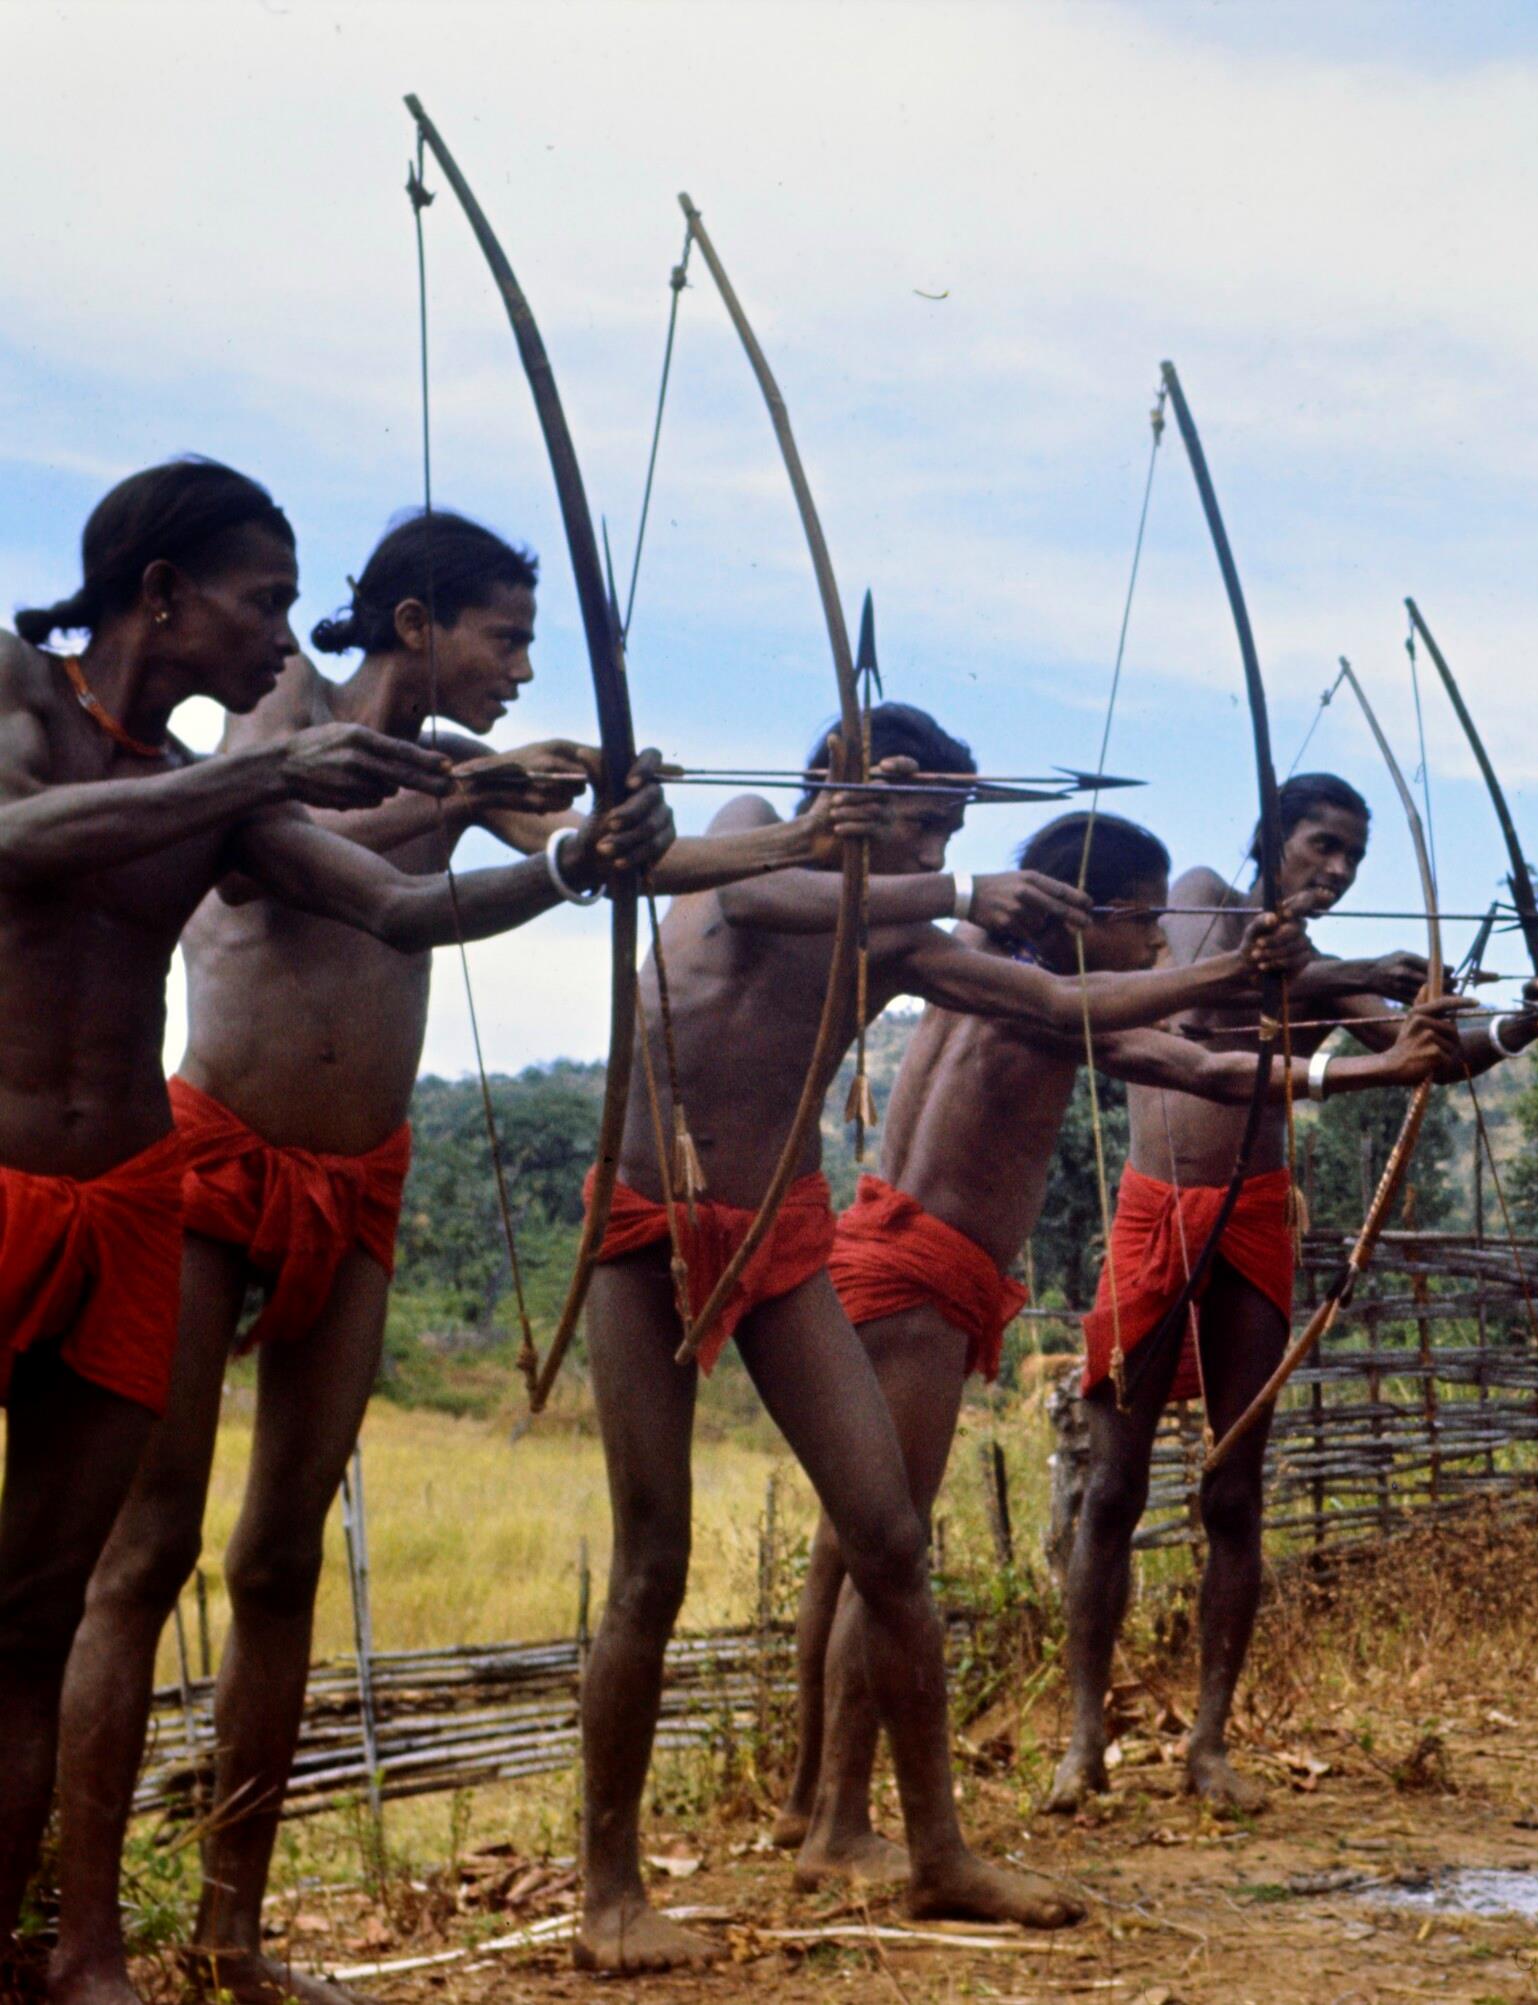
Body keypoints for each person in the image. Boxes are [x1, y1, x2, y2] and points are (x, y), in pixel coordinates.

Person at [45, 508, 861, 2005]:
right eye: (506, 637)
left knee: (282, 1556)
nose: (523, 668)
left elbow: (592, 865)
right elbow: (269, 866)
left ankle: (230, 1936)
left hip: (361, 1181)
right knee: (143, 1552)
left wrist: (719, 842)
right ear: (417, 625)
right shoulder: (282, 718)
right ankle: (84, 1943)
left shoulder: (450, 768)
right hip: (216, 1158)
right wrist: (469, 788)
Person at [571, 707, 1314, 1973]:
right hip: (646, 1223)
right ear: (862, 785)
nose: (941, 854)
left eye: (955, 836)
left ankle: (935, 1854)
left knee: (890, 1539)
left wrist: (1221, 976)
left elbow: (1057, 996)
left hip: (779, 1227)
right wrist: (947, 881)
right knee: (653, 1562)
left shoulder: (898, 933)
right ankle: (610, 1897)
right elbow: (750, 895)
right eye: (929, 823)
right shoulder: (751, 834)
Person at [743, 809, 1467, 1883]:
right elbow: (1205, 1066)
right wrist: (1360, 1066)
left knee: (846, 1545)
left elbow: (1177, 1037)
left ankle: (809, 1797)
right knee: (885, 1554)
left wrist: (1383, 1032)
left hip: (883, 1250)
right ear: (1090, 915)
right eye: (1145, 926)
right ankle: (842, 1825)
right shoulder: (1041, 1002)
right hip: (919, 1277)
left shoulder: (971, 959)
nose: (1161, 946)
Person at [1049, 773, 1538, 1817]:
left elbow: (1430, 1055)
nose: (1337, 869)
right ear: (1272, 836)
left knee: (1233, 1493)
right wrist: (1355, 967)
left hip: (1254, 1217)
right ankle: (1081, 1742)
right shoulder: (1202, 897)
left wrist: (1523, 1025)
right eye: (1321, 845)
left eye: (1353, 858)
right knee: (1113, 1487)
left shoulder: (1320, 977)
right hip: (1154, 1213)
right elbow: (1206, 986)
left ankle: (1208, 1746)